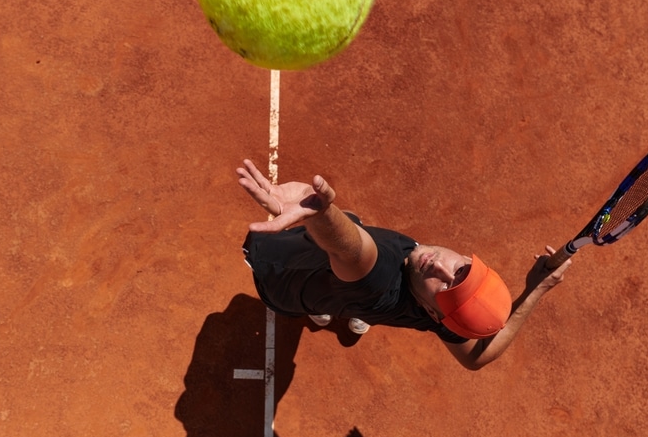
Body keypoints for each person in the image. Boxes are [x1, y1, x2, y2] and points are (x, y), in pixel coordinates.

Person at [236, 159, 572, 371]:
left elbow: (352, 250)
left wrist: (322, 214)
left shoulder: (380, 280)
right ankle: (351, 312)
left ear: (431, 312)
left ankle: (338, 307)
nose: (439, 267)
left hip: (280, 278)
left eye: (445, 290)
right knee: (355, 228)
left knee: (342, 245)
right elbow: (477, 357)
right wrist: (538, 287)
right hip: (355, 290)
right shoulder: (445, 318)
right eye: (461, 270)